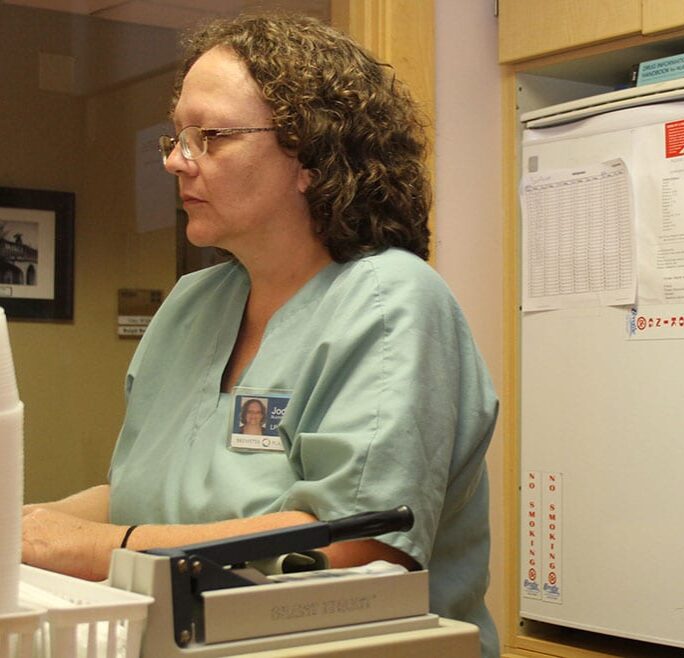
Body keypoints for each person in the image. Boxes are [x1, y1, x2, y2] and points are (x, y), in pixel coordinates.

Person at [21, 11, 499, 657]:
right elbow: (142, 496)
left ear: (311, 157)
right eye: (176, 137)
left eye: (210, 137)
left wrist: (99, 549)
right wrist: (22, 527)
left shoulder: (390, 303)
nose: (177, 161)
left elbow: (354, 550)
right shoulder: (191, 306)